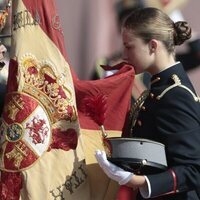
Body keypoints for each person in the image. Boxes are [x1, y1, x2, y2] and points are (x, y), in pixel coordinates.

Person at [95, 7, 200, 200]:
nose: (124, 55)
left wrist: (136, 181)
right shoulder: (160, 87)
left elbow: (193, 170)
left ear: (153, 46)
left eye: (129, 47)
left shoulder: (176, 95)